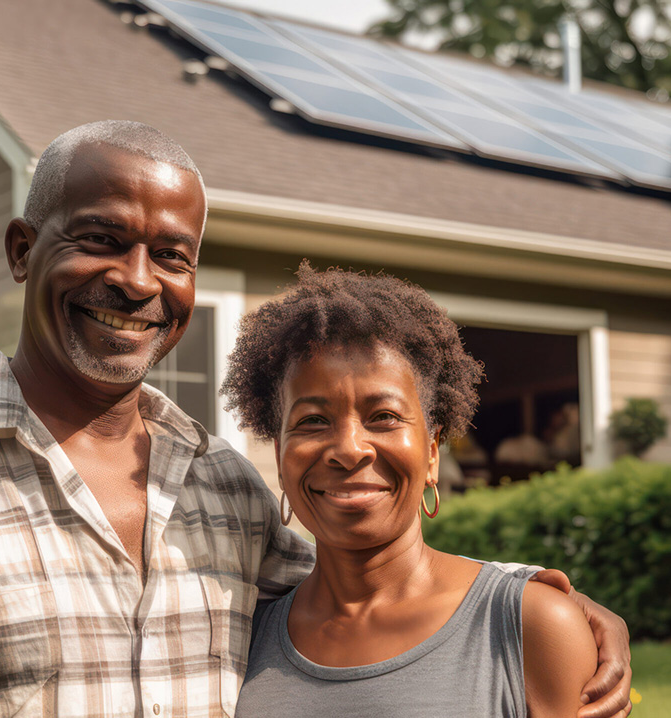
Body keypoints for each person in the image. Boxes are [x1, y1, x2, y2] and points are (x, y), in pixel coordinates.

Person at [0, 122, 630, 717]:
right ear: (23, 250)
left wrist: (536, 604)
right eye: (99, 239)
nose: (136, 282)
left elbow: (374, 584)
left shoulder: (223, 490)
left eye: (170, 256)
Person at [227, 264, 599, 717]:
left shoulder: (531, 625)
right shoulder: (242, 639)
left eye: (383, 416)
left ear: (432, 453)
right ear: (281, 455)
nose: (349, 449)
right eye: (312, 421)